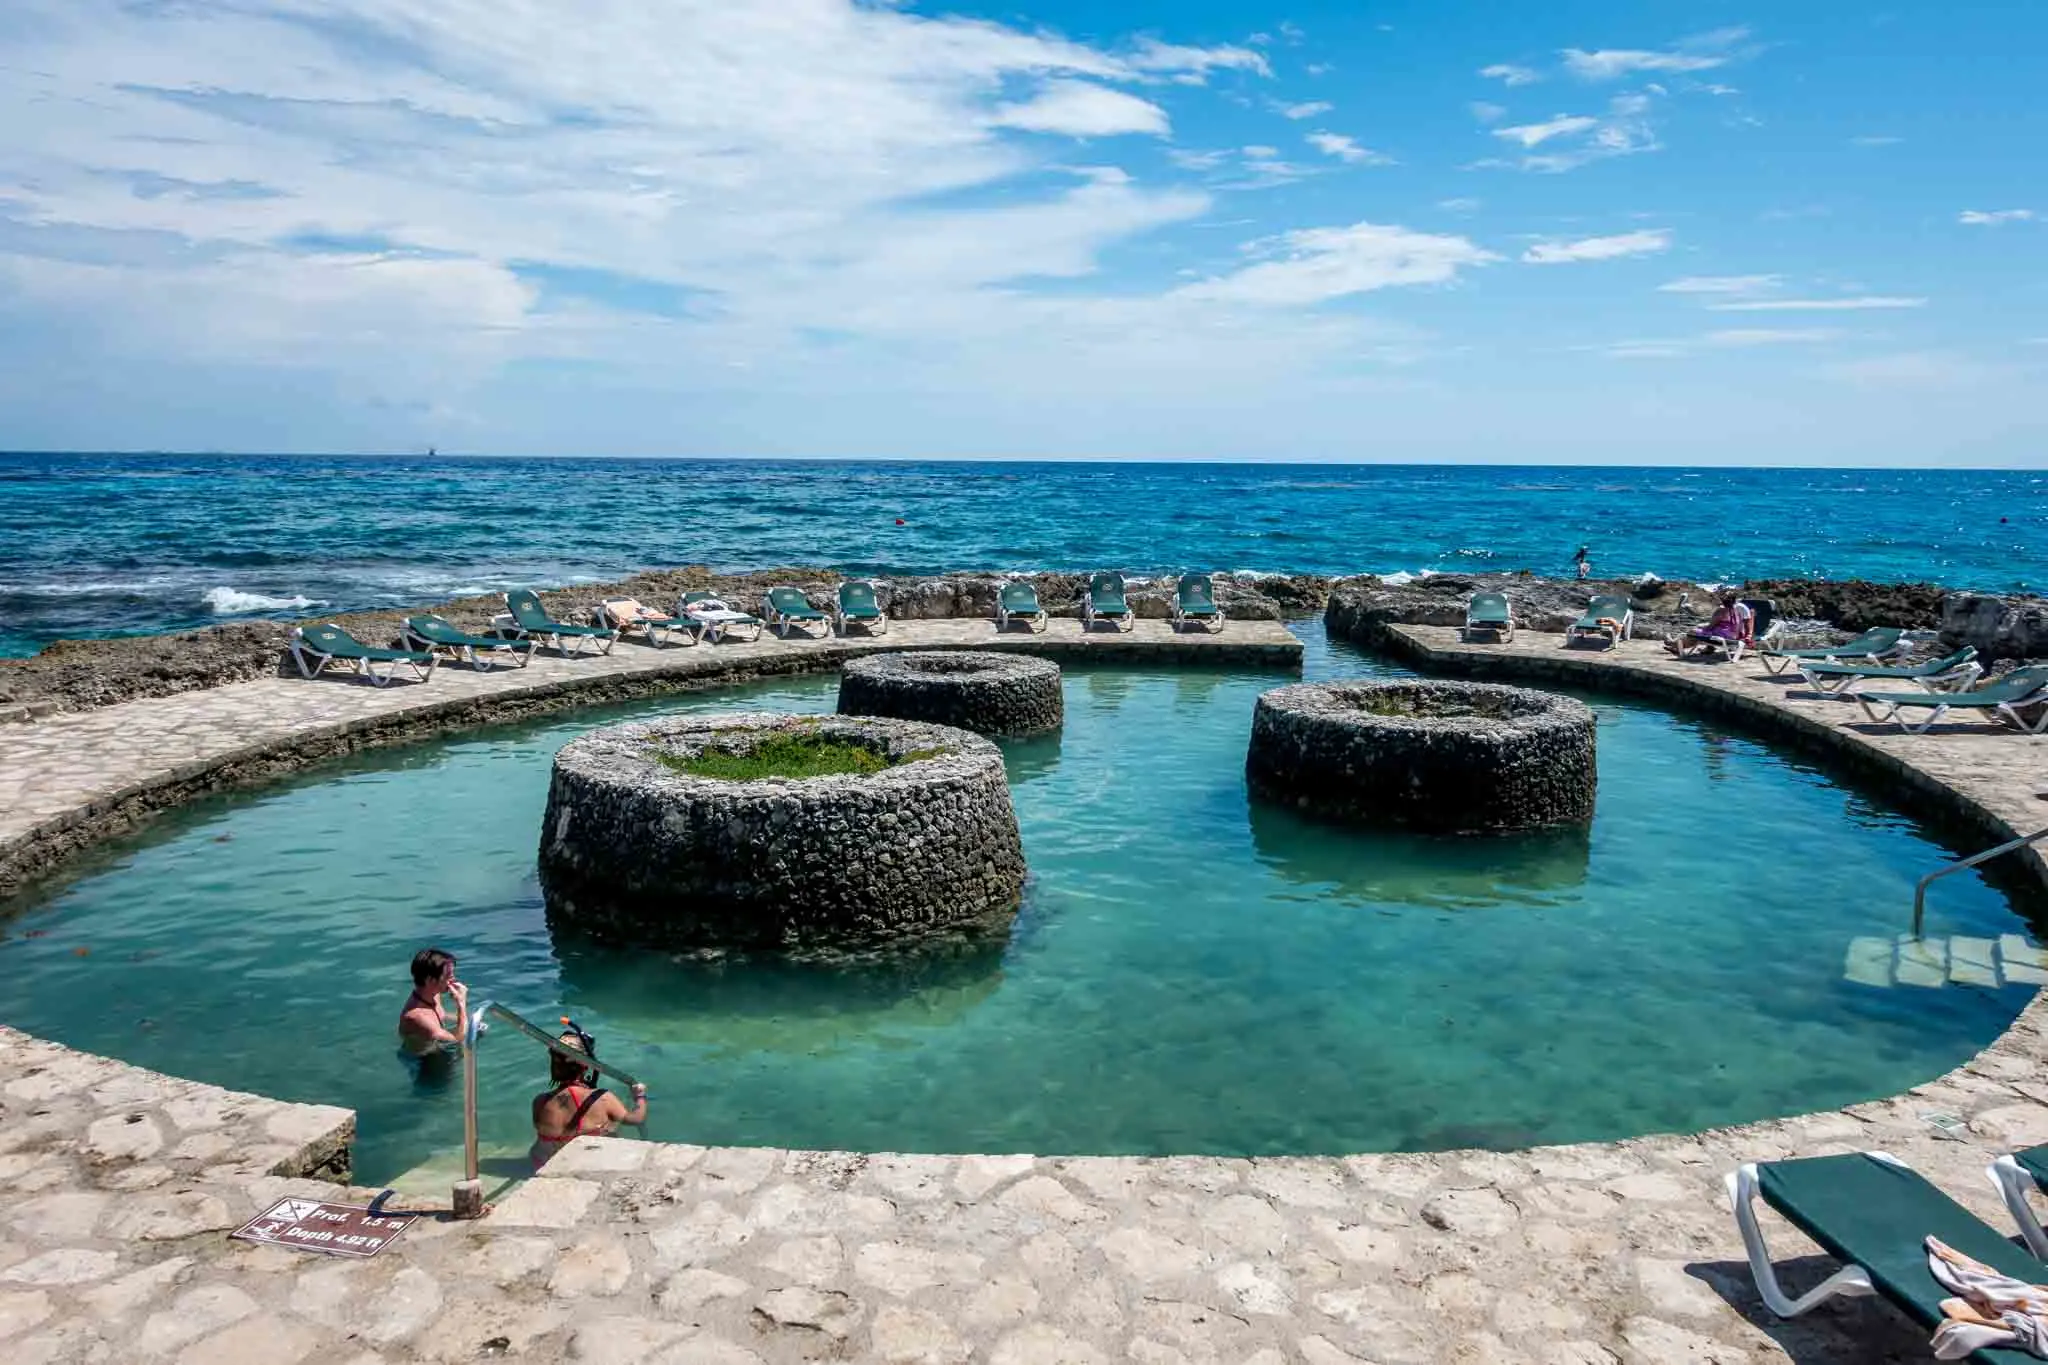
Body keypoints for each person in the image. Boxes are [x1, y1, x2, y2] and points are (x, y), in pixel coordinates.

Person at [532, 1025, 647, 1169]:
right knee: (610, 1126)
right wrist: (640, 1096)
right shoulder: (602, 1098)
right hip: (587, 1165)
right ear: (586, 1066)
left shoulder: (539, 1101)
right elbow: (636, 1119)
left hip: (542, 1163)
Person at [398, 947, 469, 1056]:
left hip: (437, 1047)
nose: (453, 979)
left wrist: (471, 1021)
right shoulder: (417, 1017)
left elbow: (442, 1014)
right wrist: (461, 1004)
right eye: (448, 976)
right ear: (430, 980)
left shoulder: (433, 994)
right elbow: (457, 1039)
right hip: (426, 1061)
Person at [1666, 592, 1750, 659]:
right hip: (1732, 637)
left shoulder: (1721, 610)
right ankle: (1676, 646)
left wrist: (1701, 626)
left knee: (1693, 632)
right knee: (1697, 634)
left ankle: (1673, 643)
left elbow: (1710, 627)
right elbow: (1728, 625)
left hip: (1721, 637)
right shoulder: (1737, 610)